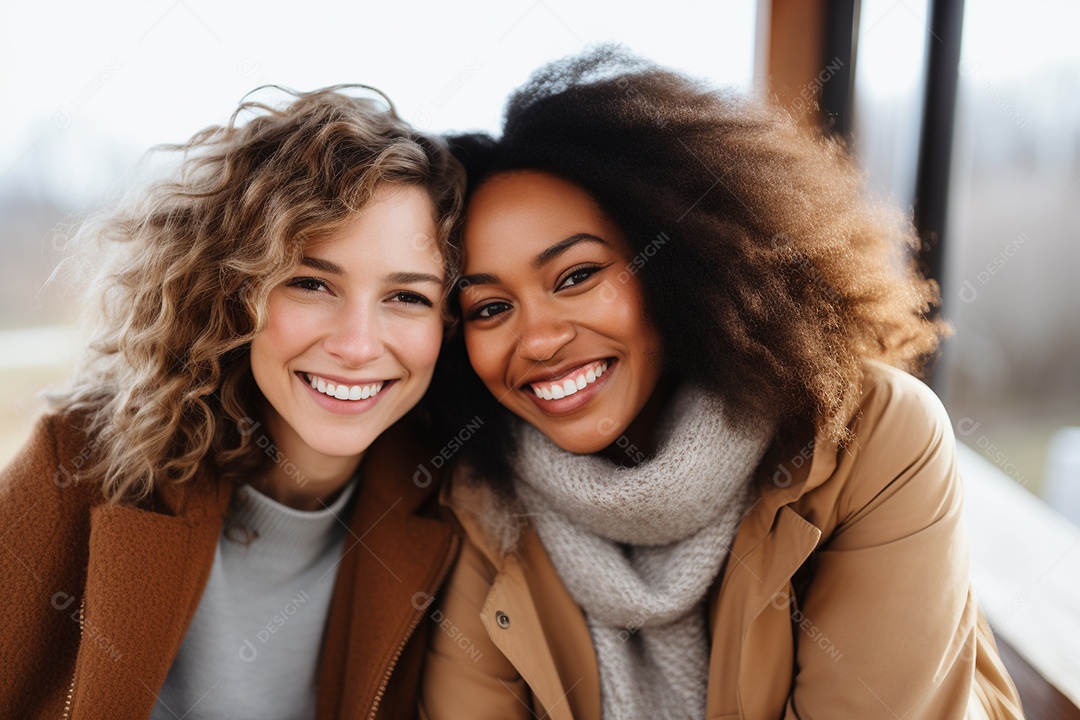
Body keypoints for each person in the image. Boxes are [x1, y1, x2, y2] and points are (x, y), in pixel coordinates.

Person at [420, 47, 1025, 719]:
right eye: (490, 309)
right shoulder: (483, 499)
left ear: (676, 262)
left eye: (577, 276)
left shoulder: (876, 436)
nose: (536, 340)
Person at [0, 86, 463, 719]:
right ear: (230, 291)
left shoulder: (462, 510)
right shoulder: (76, 466)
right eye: (310, 283)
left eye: (407, 297)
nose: (357, 346)